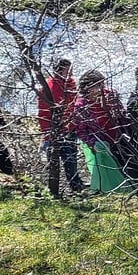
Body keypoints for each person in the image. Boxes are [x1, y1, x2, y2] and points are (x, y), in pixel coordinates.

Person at [37, 58, 84, 193]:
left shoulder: (71, 83)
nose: (71, 73)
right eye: (67, 70)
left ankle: (77, 182)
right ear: (59, 71)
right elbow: (44, 112)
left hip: (71, 126)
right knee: (66, 158)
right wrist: (47, 133)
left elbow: (74, 105)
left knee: (72, 156)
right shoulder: (48, 87)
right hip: (57, 128)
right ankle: (73, 186)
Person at [71, 69, 127, 153]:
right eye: (97, 85)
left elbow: (123, 117)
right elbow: (81, 131)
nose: (101, 88)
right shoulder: (82, 106)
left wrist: (113, 106)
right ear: (87, 88)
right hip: (102, 146)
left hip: (122, 141)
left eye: (102, 84)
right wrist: (93, 144)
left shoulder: (111, 95)